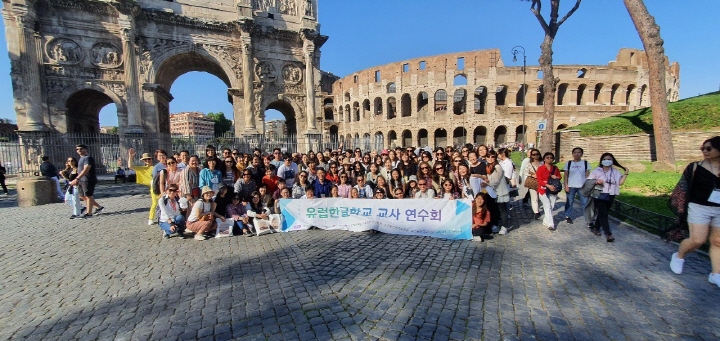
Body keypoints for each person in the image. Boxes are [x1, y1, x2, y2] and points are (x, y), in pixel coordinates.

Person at [670, 137, 720, 286]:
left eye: (708, 148)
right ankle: (679, 255)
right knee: (697, 240)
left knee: (718, 242)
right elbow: (683, 188)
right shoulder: (695, 167)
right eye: (702, 148)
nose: (704, 151)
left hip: (719, 209)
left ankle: (716, 274)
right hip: (699, 207)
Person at [587, 152, 628, 242]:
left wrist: (626, 174)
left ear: (612, 161)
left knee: (603, 213)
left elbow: (620, 183)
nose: (607, 161)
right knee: (604, 214)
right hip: (599, 194)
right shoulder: (597, 171)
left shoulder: (616, 172)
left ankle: (596, 228)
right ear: (601, 161)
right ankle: (608, 234)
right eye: (605, 159)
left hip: (611, 194)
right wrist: (597, 181)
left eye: (609, 159)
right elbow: (589, 181)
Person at [70, 144, 104, 218]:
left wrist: (77, 178)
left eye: (81, 149)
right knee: (81, 195)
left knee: (88, 196)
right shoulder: (81, 159)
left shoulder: (88, 158)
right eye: (77, 149)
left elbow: (86, 169)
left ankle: (89, 213)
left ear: (86, 149)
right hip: (81, 180)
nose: (79, 150)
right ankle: (98, 207)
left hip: (88, 179)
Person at [563, 147, 591, 225]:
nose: (577, 154)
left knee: (585, 203)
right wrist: (566, 185)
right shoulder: (569, 163)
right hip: (571, 186)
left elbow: (588, 175)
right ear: (572, 154)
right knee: (570, 202)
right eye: (575, 152)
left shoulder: (585, 163)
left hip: (582, 186)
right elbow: (565, 175)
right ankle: (567, 216)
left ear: (581, 154)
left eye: (579, 152)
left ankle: (588, 219)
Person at [536, 152, 562, 230]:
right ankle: (551, 224)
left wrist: (556, 177)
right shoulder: (541, 168)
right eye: (547, 157)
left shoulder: (555, 168)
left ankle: (545, 221)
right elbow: (539, 180)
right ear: (544, 159)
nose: (549, 159)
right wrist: (548, 185)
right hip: (543, 190)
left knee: (551, 206)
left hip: (553, 190)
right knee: (547, 205)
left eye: (551, 158)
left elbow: (560, 177)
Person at [521, 148, 543, 220]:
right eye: (534, 154)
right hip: (533, 182)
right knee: (534, 198)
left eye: (537, 154)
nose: (536, 156)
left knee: (540, 198)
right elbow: (525, 172)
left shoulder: (542, 163)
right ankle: (536, 212)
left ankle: (537, 207)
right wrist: (532, 175)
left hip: (541, 182)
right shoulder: (529, 164)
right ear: (531, 156)